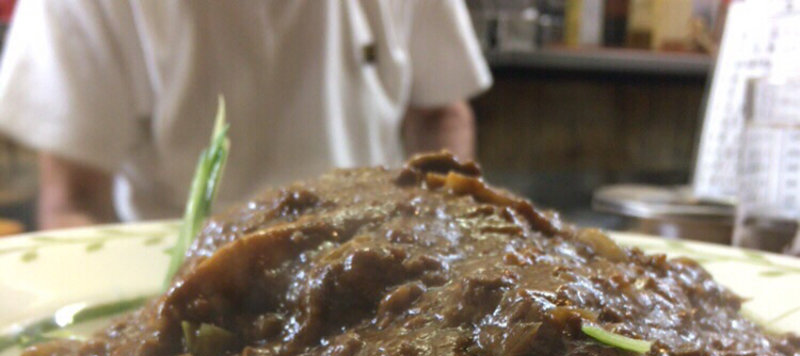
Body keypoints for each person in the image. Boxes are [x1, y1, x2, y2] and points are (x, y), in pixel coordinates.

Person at [0, 0, 491, 229]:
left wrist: (438, 231)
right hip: (181, 271)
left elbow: (441, 111)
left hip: (378, 251)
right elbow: (74, 198)